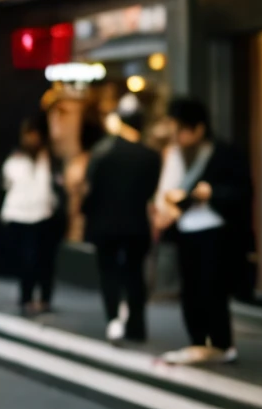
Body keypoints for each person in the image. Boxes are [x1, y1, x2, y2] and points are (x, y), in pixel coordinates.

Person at [155, 97, 252, 365]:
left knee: (213, 288)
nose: (177, 136)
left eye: (181, 129)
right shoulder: (174, 154)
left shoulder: (224, 153)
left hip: (216, 231)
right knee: (190, 289)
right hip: (185, 230)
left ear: (198, 129)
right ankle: (198, 341)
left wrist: (211, 194)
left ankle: (222, 342)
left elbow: (242, 192)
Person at [83, 97, 162, 343]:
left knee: (109, 273)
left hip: (105, 224)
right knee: (134, 274)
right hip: (136, 224)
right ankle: (136, 326)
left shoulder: (103, 152)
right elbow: (151, 190)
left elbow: (91, 188)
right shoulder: (150, 156)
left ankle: (114, 320)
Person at [1, 114, 61, 315]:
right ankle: (26, 296)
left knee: (43, 259)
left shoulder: (49, 157)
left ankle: (44, 297)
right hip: (20, 214)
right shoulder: (15, 159)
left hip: (44, 214)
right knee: (26, 259)